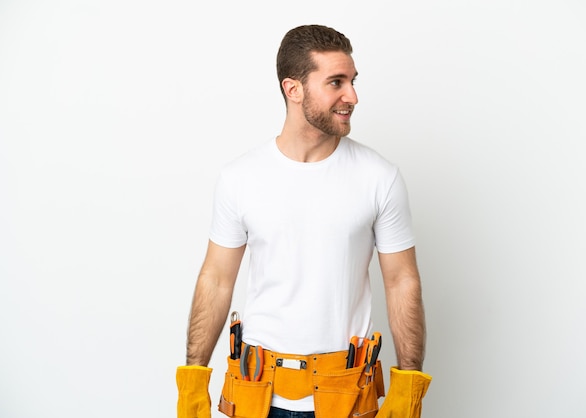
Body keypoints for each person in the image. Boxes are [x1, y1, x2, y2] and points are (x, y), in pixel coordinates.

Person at [176, 24, 431, 418]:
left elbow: (402, 280)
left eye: (352, 81)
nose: (353, 96)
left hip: (346, 398)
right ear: (293, 89)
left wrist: (409, 382)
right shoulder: (240, 178)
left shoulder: (380, 177)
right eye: (336, 82)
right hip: (255, 394)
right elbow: (216, 279)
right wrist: (193, 378)